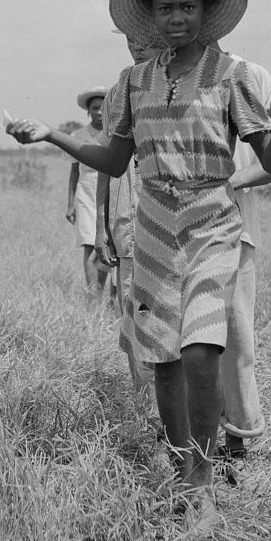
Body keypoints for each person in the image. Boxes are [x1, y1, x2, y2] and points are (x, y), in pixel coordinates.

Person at [7, 0, 271, 528]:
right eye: (166, 8)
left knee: (200, 352)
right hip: (152, 227)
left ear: (205, 12)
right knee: (162, 359)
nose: (177, 18)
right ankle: (182, 473)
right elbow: (113, 161)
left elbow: (270, 163)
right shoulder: (133, 82)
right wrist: (52, 136)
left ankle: (204, 482)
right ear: (150, 16)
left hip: (213, 221)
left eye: (187, 7)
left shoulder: (232, 76)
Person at [217, 53, 271, 469]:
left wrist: (232, 181)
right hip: (172, 229)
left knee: (235, 336)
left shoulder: (249, 74)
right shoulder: (155, 77)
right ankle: (190, 443)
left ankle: (237, 439)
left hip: (233, 221)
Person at [95, 38, 161, 399]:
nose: (139, 48)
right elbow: (107, 161)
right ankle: (143, 404)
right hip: (127, 224)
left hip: (169, 227)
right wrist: (100, 228)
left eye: (148, 40)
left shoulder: (181, 86)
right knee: (132, 313)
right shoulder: (118, 91)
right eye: (131, 40)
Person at [67, 86, 109, 301]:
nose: (99, 113)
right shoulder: (78, 136)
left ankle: (106, 292)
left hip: (108, 191)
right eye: (95, 109)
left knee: (107, 243)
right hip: (85, 190)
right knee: (88, 243)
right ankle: (93, 295)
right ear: (88, 111)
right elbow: (74, 170)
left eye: (103, 108)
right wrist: (70, 203)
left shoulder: (113, 133)